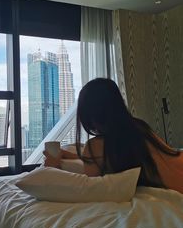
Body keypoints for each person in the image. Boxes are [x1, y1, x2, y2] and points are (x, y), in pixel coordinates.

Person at [44, 78, 183, 193]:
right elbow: (123, 153)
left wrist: (53, 167)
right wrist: (74, 156)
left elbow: (88, 189)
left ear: (90, 116)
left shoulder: (95, 146)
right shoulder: (139, 126)